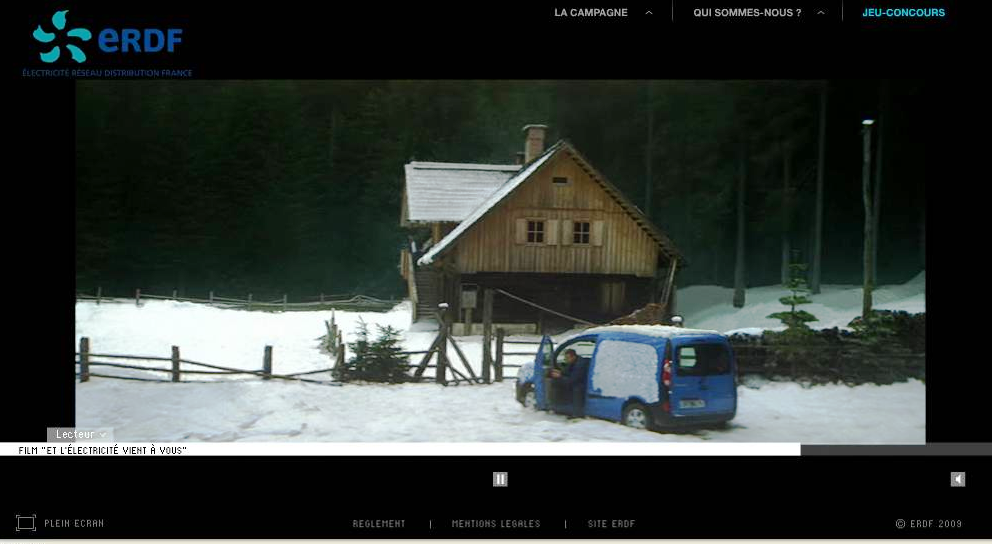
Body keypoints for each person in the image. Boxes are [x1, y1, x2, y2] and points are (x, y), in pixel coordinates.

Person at [549, 348, 589, 418]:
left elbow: (573, 379)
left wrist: (560, 376)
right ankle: (558, 406)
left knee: (576, 389)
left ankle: (577, 414)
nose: (566, 360)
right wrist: (560, 372)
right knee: (556, 382)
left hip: (584, 383)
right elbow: (567, 371)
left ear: (573, 357)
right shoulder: (573, 362)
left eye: (567, 358)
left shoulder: (580, 364)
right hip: (577, 380)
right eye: (565, 358)